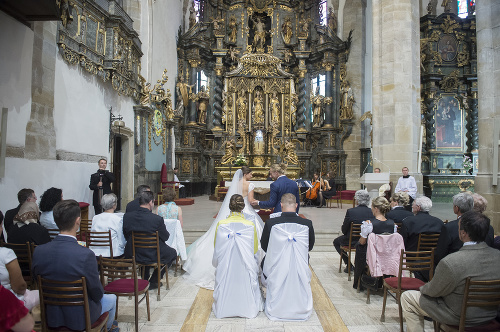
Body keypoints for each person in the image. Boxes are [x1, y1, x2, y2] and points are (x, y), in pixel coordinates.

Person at [401, 211, 500, 332]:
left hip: (456, 316)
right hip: (489, 315)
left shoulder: (451, 261)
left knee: (408, 297)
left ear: (463, 233)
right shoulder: (497, 255)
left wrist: (423, 288)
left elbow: (433, 291)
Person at [32, 200, 118, 332]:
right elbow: (97, 292)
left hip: (51, 315)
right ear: (78, 221)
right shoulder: (86, 254)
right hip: (80, 318)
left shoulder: (39, 251)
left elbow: (35, 280)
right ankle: (106, 329)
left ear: (56, 221)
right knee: (111, 298)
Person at [183, 166, 264, 290]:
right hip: (246, 210)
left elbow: (233, 199)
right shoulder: (250, 185)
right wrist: (259, 203)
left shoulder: (235, 184)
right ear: (245, 174)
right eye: (250, 173)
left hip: (236, 209)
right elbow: (251, 200)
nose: (252, 175)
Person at [123, 191, 177, 289]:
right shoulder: (156, 219)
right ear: (150, 202)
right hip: (152, 253)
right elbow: (165, 237)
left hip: (133, 252)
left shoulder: (127, 217)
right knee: (173, 253)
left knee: (144, 250)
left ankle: (144, 279)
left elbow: (125, 234)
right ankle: (154, 280)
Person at [434, 193, 494, 267]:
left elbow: (440, 254)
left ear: (457, 208)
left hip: (455, 267)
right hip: (484, 268)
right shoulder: (489, 227)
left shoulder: (449, 227)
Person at [260, 193, 314, 270]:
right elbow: (310, 246)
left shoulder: (271, 223)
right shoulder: (307, 224)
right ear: (296, 205)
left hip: (276, 263)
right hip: (299, 263)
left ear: (281, 205)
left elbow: (264, 245)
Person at [352, 196, 395, 289]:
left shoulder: (369, 224)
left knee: (359, 246)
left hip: (372, 256)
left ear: (376, 209)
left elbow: (363, 242)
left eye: (372, 207)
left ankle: (360, 281)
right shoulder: (393, 225)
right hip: (386, 256)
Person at [0, 218, 39, 310]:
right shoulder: (5, 254)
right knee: (41, 294)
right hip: (8, 303)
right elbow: (19, 287)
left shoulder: (12, 230)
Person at [333, 190, 374, 272]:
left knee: (336, 242)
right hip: (366, 240)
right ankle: (365, 264)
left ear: (357, 200)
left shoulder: (351, 211)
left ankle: (349, 265)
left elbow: (344, 230)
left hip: (351, 240)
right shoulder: (372, 211)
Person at [90, 193, 126, 258]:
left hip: (95, 253)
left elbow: (92, 237)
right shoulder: (117, 219)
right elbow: (121, 242)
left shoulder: (95, 218)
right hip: (113, 254)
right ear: (114, 205)